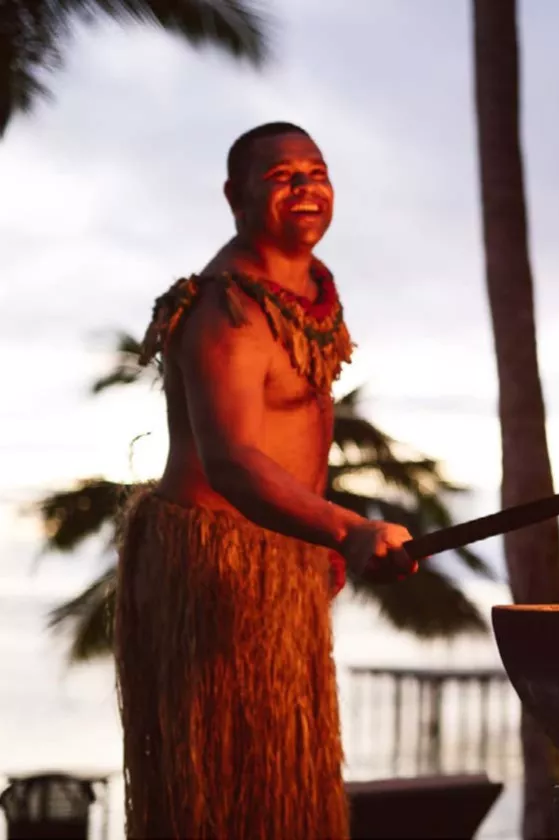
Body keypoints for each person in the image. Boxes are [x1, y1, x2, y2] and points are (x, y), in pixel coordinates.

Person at [113, 121, 416, 839]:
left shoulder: (306, 295)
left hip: (284, 556)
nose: (305, 188)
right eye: (282, 176)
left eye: (316, 172)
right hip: (217, 568)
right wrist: (346, 528)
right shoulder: (228, 308)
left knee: (290, 789)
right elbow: (233, 460)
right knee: (224, 794)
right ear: (236, 195)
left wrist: (317, 541)